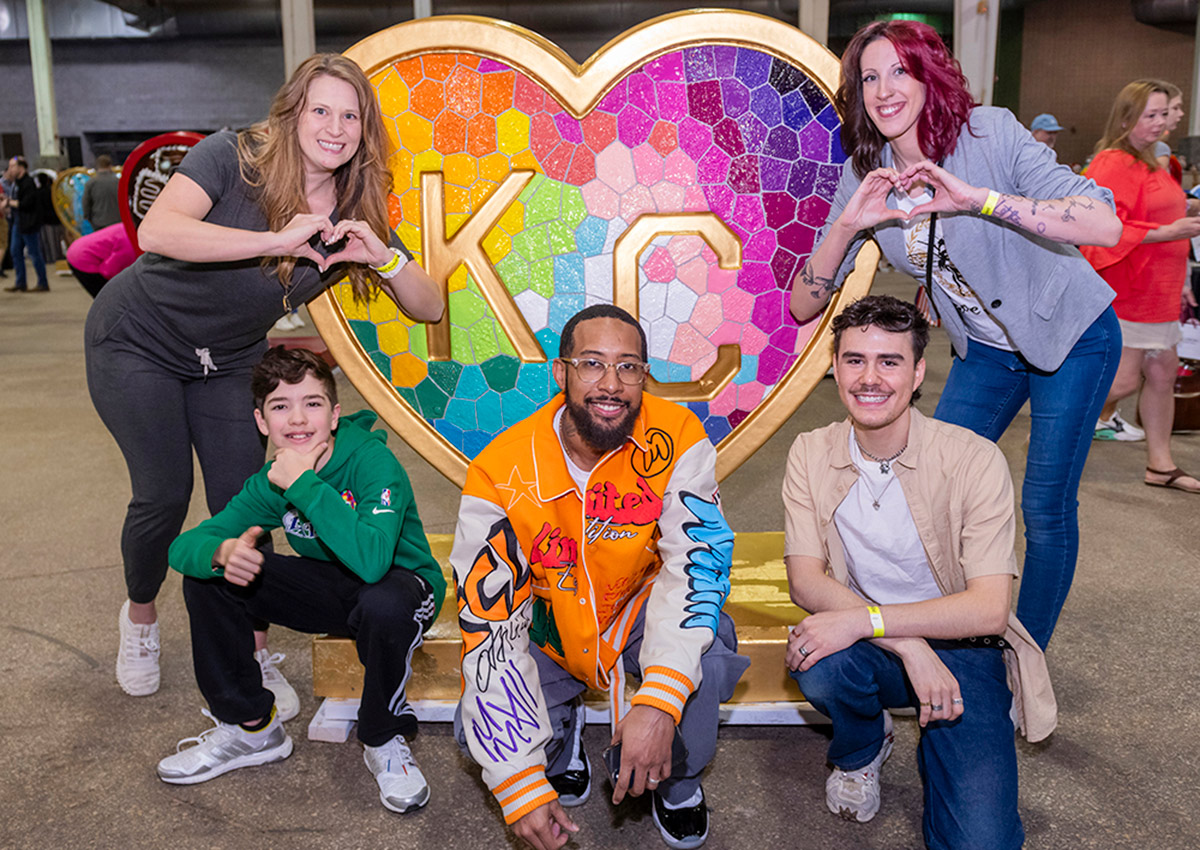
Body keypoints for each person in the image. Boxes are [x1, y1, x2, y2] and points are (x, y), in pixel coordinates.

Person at [84, 53, 444, 700]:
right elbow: (159, 231)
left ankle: (254, 646)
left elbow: (430, 305)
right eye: (321, 110)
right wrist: (276, 242)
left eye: (351, 116)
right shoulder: (234, 156)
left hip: (227, 359)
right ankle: (140, 613)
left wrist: (384, 259)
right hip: (137, 340)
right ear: (294, 113)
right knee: (163, 496)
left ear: (366, 129)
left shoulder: (354, 210)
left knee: (248, 497)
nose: (335, 127)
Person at [790, 20, 1123, 650]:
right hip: (985, 352)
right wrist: (846, 228)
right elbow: (804, 303)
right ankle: (937, 632)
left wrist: (981, 201)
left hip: (1072, 334)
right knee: (934, 483)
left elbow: (1102, 224)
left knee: (1045, 505)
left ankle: (1024, 658)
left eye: (899, 71)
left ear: (928, 75)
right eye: (869, 77)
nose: (884, 90)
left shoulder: (988, 132)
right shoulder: (866, 170)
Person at [450, 304, 748, 850]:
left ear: (644, 376)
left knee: (711, 649)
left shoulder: (678, 434)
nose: (611, 384)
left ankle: (678, 780)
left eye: (628, 367)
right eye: (591, 364)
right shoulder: (498, 469)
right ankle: (559, 744)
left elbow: (696, 565)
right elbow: (489, 628)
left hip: (640, 606)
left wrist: (658, 700)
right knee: (480, 737)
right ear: (560, 374)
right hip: (549, 623)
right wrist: (517, 784)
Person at [783, 295, 1055, 850]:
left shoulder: (973, 458)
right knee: (819, 660)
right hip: (872, 644)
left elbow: (988, 608)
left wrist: (877, 624)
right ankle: (861, 747)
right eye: (855, 359)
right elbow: (806, 580)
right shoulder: (810, 452)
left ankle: (944, 742)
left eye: (889, 361)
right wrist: (907, 644)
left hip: (965, 647)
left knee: (981, 843)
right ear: (834, 367)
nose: (870, 378)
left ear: (918, 372)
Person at [157, 346, 445, 811]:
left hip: (403, 585)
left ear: (334, 415)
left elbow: (374, 561)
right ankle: (251, 728)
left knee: (383, 602)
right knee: (210, 577)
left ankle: (383, 738)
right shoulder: (273, 480)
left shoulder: (371, 462)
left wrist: (303, 485)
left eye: (311, 403)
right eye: (279, 406)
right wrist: (222, 551)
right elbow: (184, 546)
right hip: (335, 585)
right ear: (260, 421)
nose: (297, 418)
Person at [1082, 80, 1200, 493]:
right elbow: (1103, 227)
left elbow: (1166, 210)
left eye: (1163, 114)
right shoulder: (1114, 162)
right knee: (1121, 383)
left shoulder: (1154, 162)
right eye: (1149, 115)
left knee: (1162, 374)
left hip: (1160, 293)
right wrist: (1170, 230)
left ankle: (1160, 464)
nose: (1160, 122)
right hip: (1128, 290)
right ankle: (1053, 439)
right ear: (1127, 117)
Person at [4, 156, 50, 292]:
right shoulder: (16, 183)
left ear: (21, 167)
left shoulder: (28, 183)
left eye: (13, 166)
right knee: (15, 251)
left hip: (29, 223)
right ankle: (20, 282)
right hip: (19, 222)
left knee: (34, 253)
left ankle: (43, 283)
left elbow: (27, 203)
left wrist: (8, 202)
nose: (10, 169)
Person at [66, 222, 136, 297]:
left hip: (78, 249)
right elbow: (108, 271)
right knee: (108, 297)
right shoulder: (129, 242)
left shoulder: (129, 227)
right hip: (83, 259)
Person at [82, 154, 121, 230]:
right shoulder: (118, 182)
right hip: (117, 221)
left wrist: (87, 217)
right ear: (110, 166)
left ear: (97, 166)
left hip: (99, 222)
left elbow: (86, 202)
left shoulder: (91, 183)